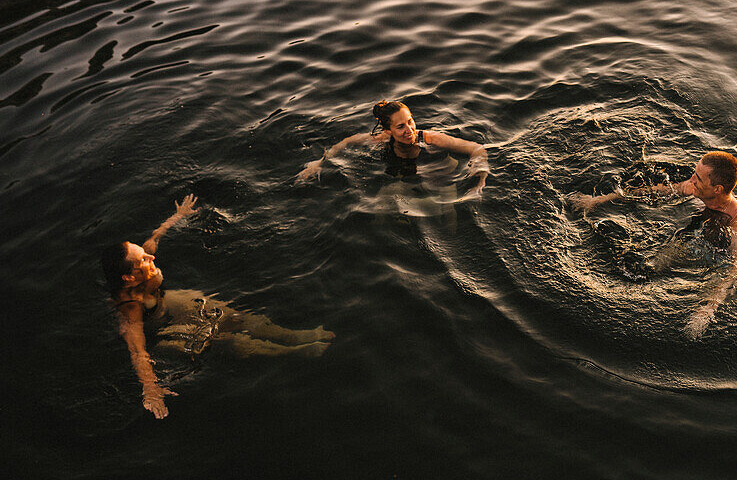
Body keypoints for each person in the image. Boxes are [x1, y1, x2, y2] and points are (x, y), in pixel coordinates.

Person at [101, 195, 334, 419]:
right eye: (142, 259)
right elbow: (137, 351)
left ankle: (296, 336)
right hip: (163, 329)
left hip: (168, 302)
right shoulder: (130, 307)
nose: (150, 258)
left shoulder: (141, 265)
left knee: (235, 317)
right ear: (129, 278)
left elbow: (154, 239)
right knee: (225, 340)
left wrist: (177, 216)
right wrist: (150, 388)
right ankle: (296, 351)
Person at [567, 151, 737, 339]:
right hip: (691, 234)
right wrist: (598, 201)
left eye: (698, 177)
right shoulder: (695, 188)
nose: (691, 179)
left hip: (713, 254)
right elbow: (657, 191)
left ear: (718, 189)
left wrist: (708, 309)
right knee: (648, 269)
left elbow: (736, 269)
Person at [295, 100, 489, 197]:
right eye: (400, 126)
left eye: (410, 122)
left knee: (449, 217)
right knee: (382, 200)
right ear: (388, 131)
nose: (409, 130)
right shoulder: (382, 139)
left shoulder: (431, 138)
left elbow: (477, 148)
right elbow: (346, 142)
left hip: (445, 179)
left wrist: (479, 177)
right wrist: (319, 163)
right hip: (411, 178)